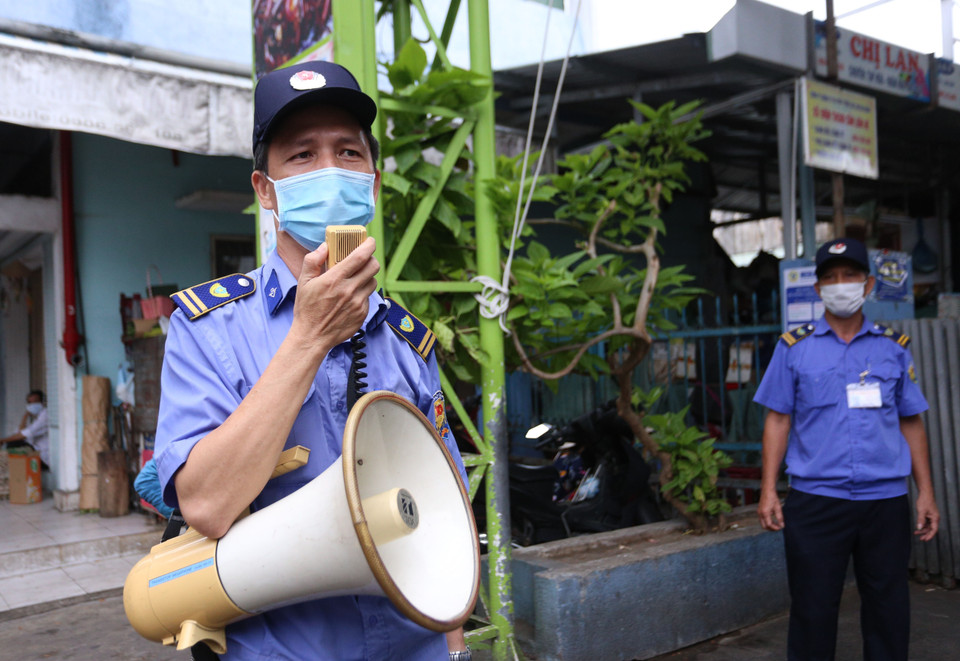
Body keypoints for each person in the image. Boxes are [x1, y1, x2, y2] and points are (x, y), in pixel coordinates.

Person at [153, 61, 471, 661]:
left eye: (348, 152)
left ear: (373, 183)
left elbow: (441, 510)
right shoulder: (206, 328)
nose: (329, 169)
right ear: (265, 190)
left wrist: (455, 649)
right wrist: (308, 338)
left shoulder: (408, 343)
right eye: (301, 155)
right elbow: (207, 505)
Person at [754, 237, 939, 661]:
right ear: (818, 289)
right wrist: (767, 489)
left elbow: (910, 419)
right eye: (831, 278)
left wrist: (925, 491)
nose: (841, 285)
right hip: (816, 502)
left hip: (885, 501)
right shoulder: (793, 348)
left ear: (868, 284)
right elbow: (777, 418)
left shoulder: (893, 347)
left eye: (851, 275)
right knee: (813, 610)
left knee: (889, 609)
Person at [0, 390, 50, 469]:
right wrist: (25, 415)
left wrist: (3, 440)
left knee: (14, 444)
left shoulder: (45, 415)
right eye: (29, 403)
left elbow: (23, 435)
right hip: (36, 451)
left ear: (42, 402)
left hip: (44, 456)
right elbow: (19, 432)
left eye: (35, 402)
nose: (32, 405)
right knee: (13, 443)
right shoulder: (35, 417)